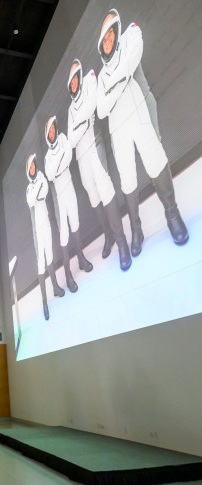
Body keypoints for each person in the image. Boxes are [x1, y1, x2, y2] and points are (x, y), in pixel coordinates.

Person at [96, 9, 188, 254]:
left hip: (140, 115)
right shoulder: (100, 77)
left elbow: (132, 59)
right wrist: (120, 79)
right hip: (118, 130)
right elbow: (102, 110)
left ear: (117, 31)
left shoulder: (130, 35)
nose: (108, 40)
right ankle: (136, 228)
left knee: (155, 160)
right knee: (127, 179)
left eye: (111, 34)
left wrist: (112, 89)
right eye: (104, 37)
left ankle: (172, 213)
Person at [66, 58, 131, 271]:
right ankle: (109, 235)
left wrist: (81, 122)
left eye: (76, 78)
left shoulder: (90, 79)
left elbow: (92, 105)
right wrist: (80, 123)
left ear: (80, 75)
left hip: (95, 148)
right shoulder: (69, 109)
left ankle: (122, 242)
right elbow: (71, 138)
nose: (75, 84)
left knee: (106, 190)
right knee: (94, 198)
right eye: (72, 82)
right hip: (81, 159)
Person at [44, 115, 93, 292]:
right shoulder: (47, 156)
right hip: (59, 199)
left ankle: (81, 258)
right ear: (46, 134)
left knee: (76, 224)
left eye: (53, 128)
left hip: (70, 190)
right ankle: (68, 275)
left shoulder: (63, 138)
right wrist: (59, 164)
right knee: (64, 235)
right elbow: (50, 175)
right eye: (49, 130)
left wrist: (58, 167)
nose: (52, 132)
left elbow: (68, 156)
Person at [25, 153, 65, 320]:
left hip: (46, 223)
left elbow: (44, 192)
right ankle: (44, 302)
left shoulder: (41, 177)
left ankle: (55, 286)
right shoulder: (28, 188)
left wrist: (39, 190)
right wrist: (37, 190)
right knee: (40, 263)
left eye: (34, 164)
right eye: (31, 166)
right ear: (28, 170)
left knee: (50, 255)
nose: (33, 167)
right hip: (37, 231)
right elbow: (31, 200)